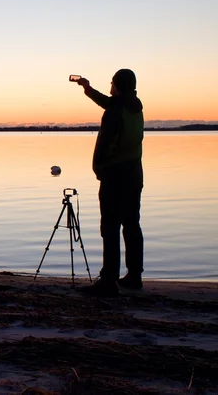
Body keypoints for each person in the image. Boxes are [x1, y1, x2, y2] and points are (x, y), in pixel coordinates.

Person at [75, 69, 145, 297]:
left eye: (112, 83)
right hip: (134, 174)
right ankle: (134, 276)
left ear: (117, 85)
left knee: (110, 227)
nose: (110, 87)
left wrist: (100, 168)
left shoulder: (116, 110)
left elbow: (107, 143)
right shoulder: (133, 105)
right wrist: (87, 88)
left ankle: (108, 280)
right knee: (131, 225)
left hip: (116, 175)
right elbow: (108, 102)